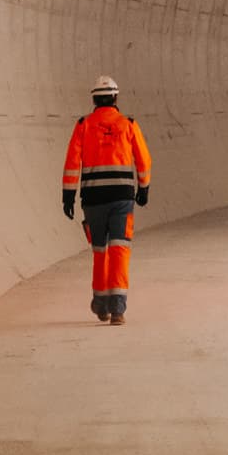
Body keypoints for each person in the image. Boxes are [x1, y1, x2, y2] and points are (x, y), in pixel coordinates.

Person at [61, 75, 152, 324]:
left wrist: (68, 195)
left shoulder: (84, 125)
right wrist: (143, 187)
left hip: (93, 200)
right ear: (115, 98)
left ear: (94, 99)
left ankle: (101, 305)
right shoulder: (128, 124)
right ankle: (118, 310)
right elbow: (143, 159)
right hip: (122, 199)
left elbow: (72, 164)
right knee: (120, 250)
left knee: (99, 251)